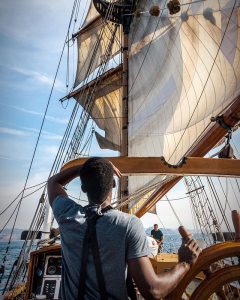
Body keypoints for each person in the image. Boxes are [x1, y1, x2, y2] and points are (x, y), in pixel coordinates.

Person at [48, 157, 202, 300]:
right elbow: (154, 290)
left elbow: (54, 182)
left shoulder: (66, 214)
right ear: (113, 184)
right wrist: (185, 263)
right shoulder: (128, 224)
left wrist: (86, 168)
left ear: (83, 188)